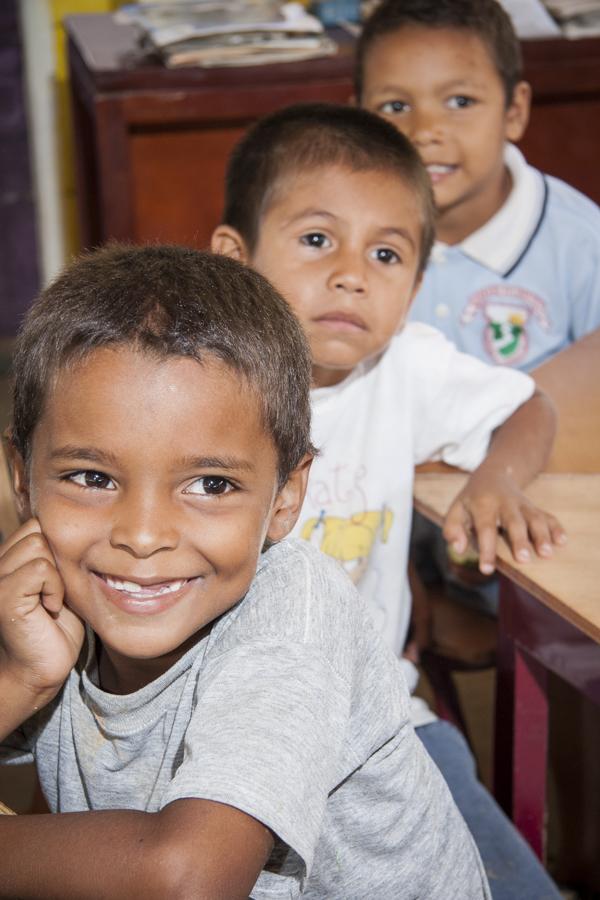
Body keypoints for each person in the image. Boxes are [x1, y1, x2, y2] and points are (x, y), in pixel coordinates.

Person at [0, 245, 492, 898]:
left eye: (210, 484)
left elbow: (190, 878)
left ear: (286, 498)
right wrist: (20, 677)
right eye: (91, 477)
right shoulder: (49, 600)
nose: (143, 537)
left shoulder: (292, 617)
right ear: (21, 481)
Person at [212, 102, 563, 899]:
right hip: (227, 728)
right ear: (236, 256)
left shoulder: (406, 366)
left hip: (380, 724)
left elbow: (526, 408)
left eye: (386, 253)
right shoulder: (198, 382)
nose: (351, 274)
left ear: (414, 285)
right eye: (315, 240)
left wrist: (495, 483)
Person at [356, 0, 600, 372]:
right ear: (358, 120)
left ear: (514, 112)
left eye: (460, 101)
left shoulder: (582, 245)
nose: (424, 132)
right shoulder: (338, 236)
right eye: (395, 106)